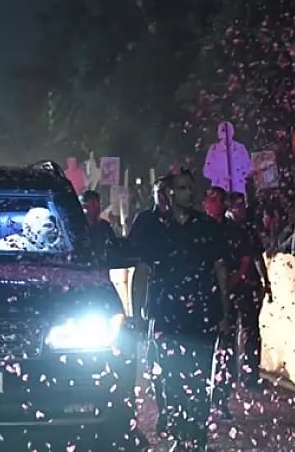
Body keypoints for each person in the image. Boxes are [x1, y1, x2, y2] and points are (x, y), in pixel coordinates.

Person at [140, 170, 233, 451]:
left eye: (190, 188)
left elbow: (220, 269)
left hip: (202, 314)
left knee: (201, 379)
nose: (188, 193)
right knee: (172, 379)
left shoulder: (207, 227)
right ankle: (181, 437)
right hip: (168, 316)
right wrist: (139, 310)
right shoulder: (157, 228)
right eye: (182, 188)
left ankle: (198, 437)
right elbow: (143, 270)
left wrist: (225, 311)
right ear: (170, 193)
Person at [127, 176, 172, 433]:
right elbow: (138, 267)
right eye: (160, 191)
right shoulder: (145, 221)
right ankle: (165, 410)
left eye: (167, 191)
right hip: (155, 302)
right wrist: (137, 312)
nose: (164, 196)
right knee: (156, 361)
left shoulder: (185, 222)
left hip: (183, 300)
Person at [221, 192, 272, 392]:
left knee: (251, 331)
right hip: (231, 287)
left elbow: (257, 256)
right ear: (230, 208)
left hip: (249, 286)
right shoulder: (222, 229)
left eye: (243, 205)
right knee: (230, 330)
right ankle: (230, 373)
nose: (242, 209)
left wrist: (265, 281)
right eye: (238, 206)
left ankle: (251, 374)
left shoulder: (249, 229)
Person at [80, 189, 116, 264]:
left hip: (102, 265)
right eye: (93, 203)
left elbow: (114, 244)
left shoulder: (105, 226)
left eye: (98, 203)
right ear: (85, 206)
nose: (98, 207)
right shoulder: (79, 227)